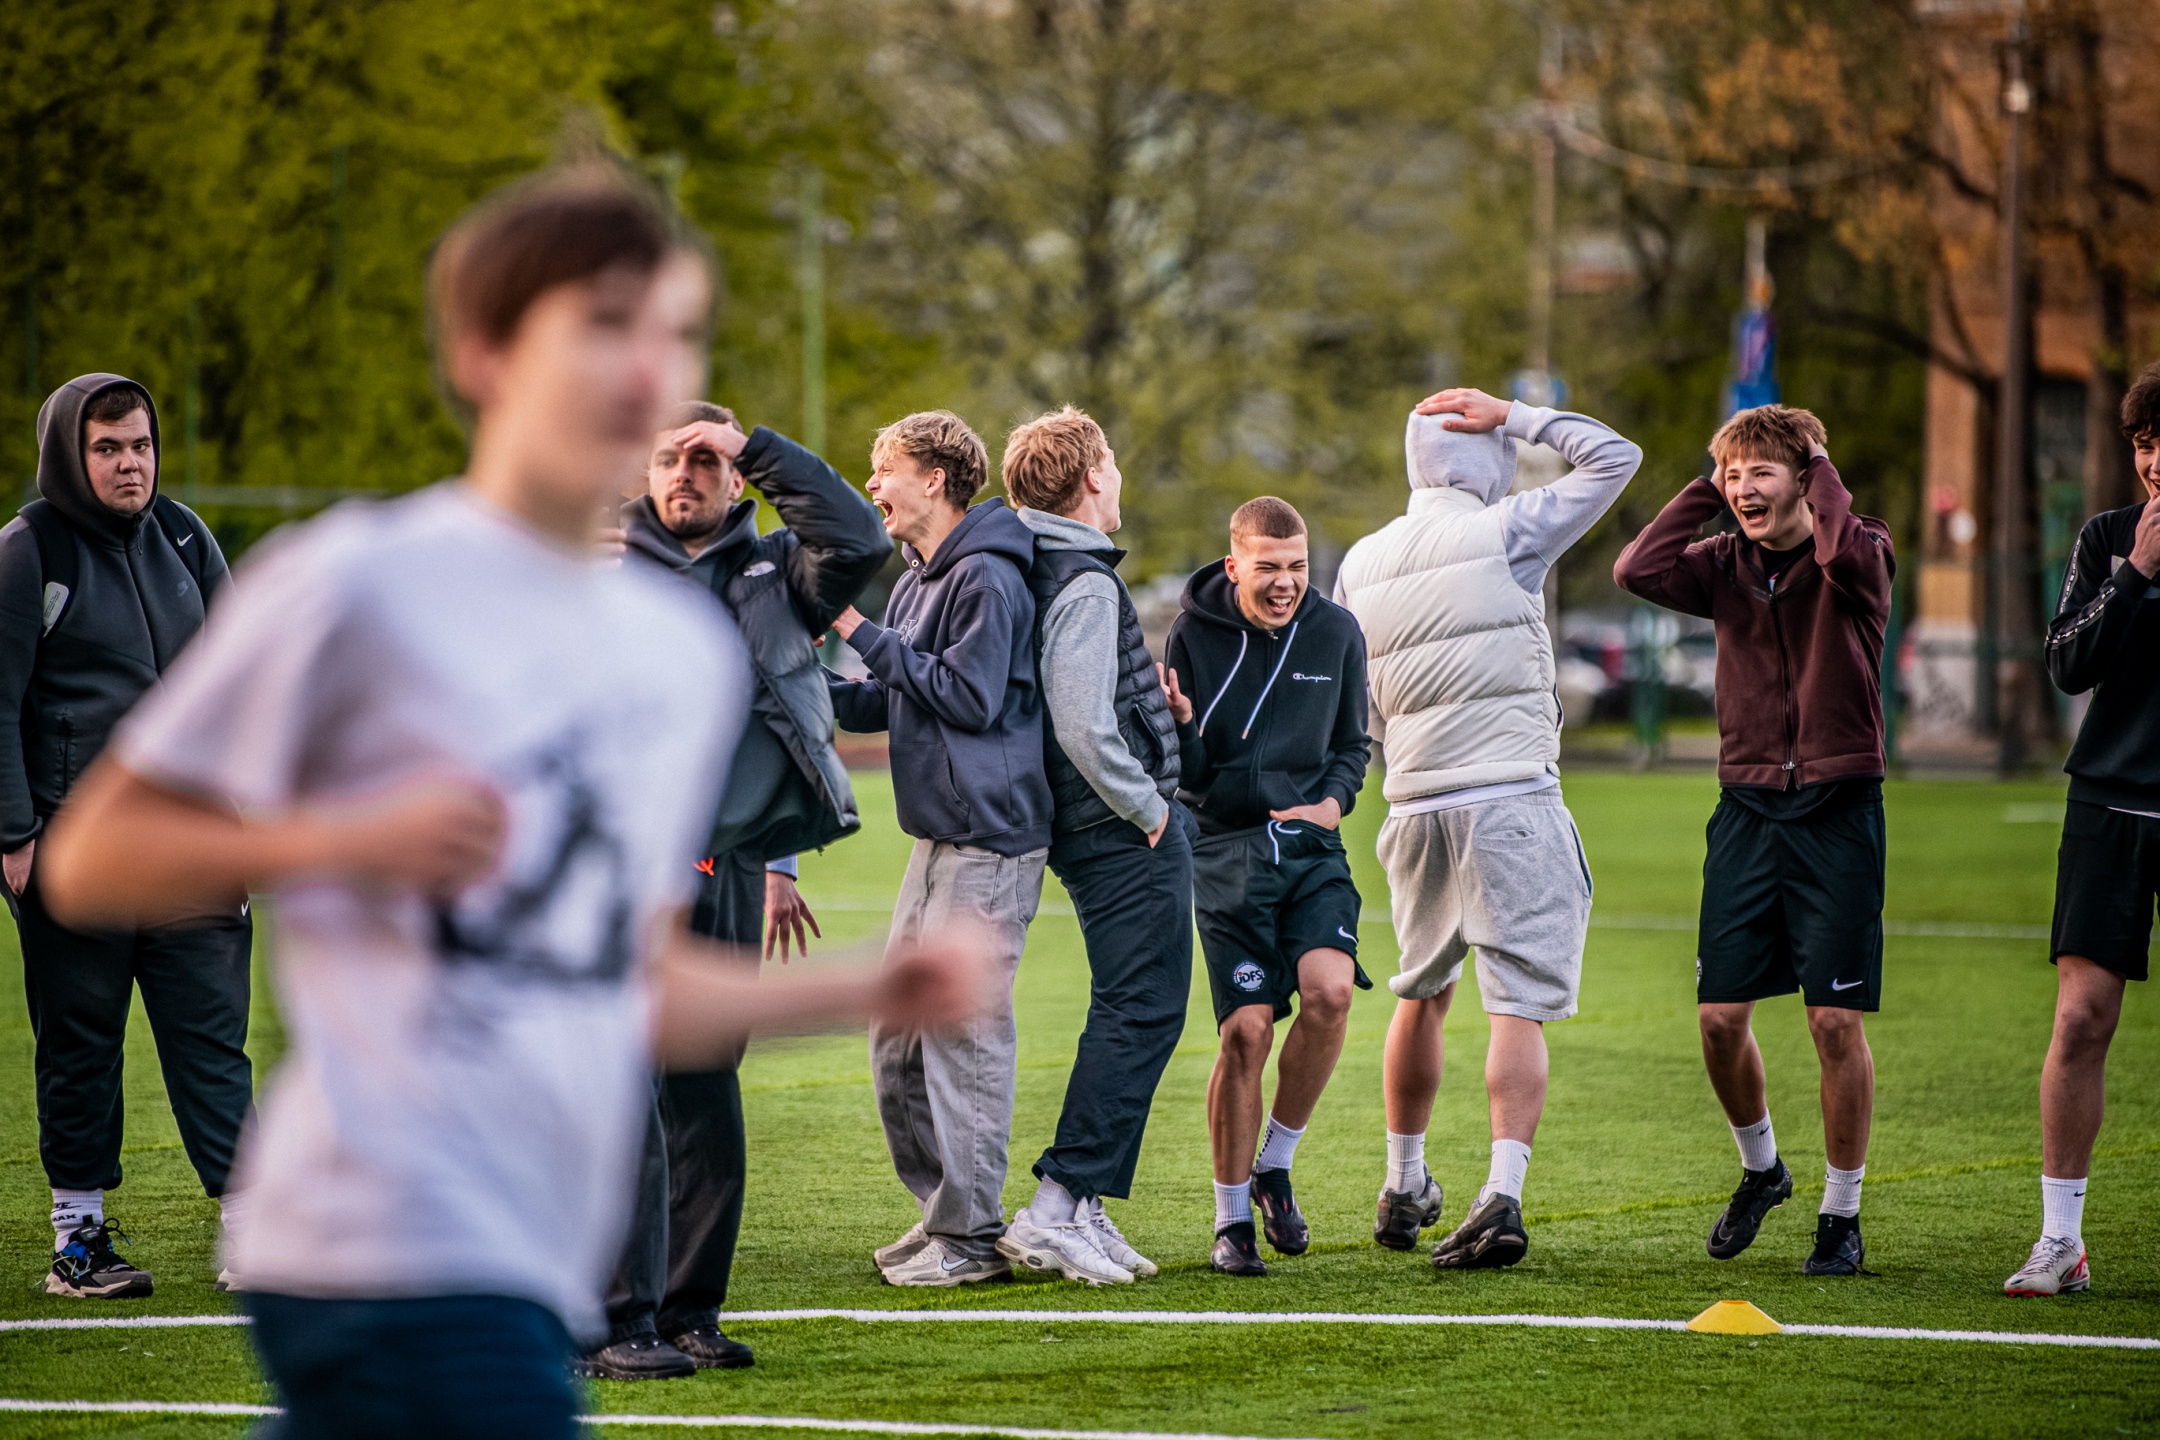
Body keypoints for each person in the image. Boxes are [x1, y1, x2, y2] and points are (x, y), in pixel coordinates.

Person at [33, 164, 987, 1440]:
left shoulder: (674, 657)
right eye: (605, 323)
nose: (647, 364)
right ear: (483, 351)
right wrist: (346, 839)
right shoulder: (356, 582)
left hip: (533, 1254)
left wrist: (870, 988)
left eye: (675, 332)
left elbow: (631, 982)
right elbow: (93, 859)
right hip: (386, 1238)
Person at [594, 400, 888, 1376]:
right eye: (669, 458)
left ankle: (689, 1313)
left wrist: (755, 446)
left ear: (735, 479)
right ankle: (616, 1322)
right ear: (644, 474)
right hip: (621, 869)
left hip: (726, 865)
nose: (685, 473)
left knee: (706, 1093)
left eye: (706, 460)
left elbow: (859, 538)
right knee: (623, 1089)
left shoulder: (776, 574)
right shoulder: (602, 573)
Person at [1334, 386, 1641, 1269]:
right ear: (1488, 461)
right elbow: (1616, 457)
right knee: (1516, 1003)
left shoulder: (1360, 560)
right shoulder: (1506, 530)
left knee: (1421, 992)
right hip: (1509, 797)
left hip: (1412, 802)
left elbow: (1360, 702)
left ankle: (1404, 1182)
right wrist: (1516, 413)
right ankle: (1501, 1194)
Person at [1615, 403, 1894, 1278]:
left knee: (1833, 1021)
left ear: (1806, 478)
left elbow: (1844, 557)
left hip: (1839, 813)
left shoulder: (1861, 548)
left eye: (1759, 473)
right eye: (1732, 476)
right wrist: (1708, 487)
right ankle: (1763, 1169)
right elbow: (1636, 568)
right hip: (1745, 811)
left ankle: (1840, 1214)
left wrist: (1818, 468)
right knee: (1718, 1020)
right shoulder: (1721, 563)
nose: (1743, 489)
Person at [0, 373, 247, 1299]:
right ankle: (79, 1246)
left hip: (191, 846)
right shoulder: (29, 551)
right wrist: (14, 833)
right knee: (80, 1044)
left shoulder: (185, 536)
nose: (129, 464)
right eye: (107, 448)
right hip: (76, 850)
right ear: (71, 453)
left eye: (140, 445)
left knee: (212, 1040)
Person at [828, 410, 1053, 1286]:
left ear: (935, 478)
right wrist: (805, 690)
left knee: (964, 1039)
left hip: (991, 842)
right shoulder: (919, 580)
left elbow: (968, 696)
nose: (873, 486)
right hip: (935, 841)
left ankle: (970, 1238)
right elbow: (895, 695)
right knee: (896, 1033)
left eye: (884, 469)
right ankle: (942, 1219)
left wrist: (855, 628)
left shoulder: (988, 573)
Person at [997, 407, 1190, 1287]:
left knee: (1133, 1005)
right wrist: (1146, 806)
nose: (1117, 476)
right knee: (1141, 1008)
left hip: (1083, 821)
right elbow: (1080, 723)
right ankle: (1055, 1205)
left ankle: (1082, 1205)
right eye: (1109, 461)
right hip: (1116, 825)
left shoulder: (1033, 559)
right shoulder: (1083, 579)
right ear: (1091, 479)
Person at [1165, 496, 1371, 1277]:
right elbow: (1189, 772)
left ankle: (1274, 1166)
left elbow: (1353, 745)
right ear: (1234, 566)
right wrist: (1182, 726)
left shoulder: (1337, 632)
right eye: (1268, 568)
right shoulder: (1192, 633)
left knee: (1332, 992)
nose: (1285, 583)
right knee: (1246, 1033)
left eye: (1298, 568)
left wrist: (1332, 804)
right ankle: (1229, 1221)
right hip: (1223, 850)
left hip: (1311, 847)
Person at [2006, 359, 2160, 1297]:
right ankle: (2060, 1241)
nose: (2155, 462)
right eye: (2144, 443)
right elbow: (2066, 662)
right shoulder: (2108, 538)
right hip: (2107, 800)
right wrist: (2137, 574)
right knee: (2079, 1019)